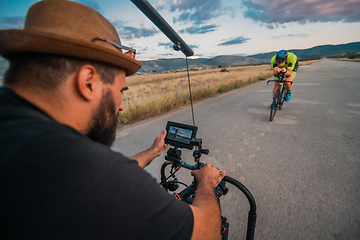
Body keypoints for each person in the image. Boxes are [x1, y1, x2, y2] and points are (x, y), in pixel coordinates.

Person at [0, 1, 225, 240]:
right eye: (120, 91)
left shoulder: (19, 135)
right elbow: (207, 232)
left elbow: (100, 175)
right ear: (88, 82)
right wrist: (207, 183)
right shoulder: (84, 171)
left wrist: (151, 152)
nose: (121, 105)